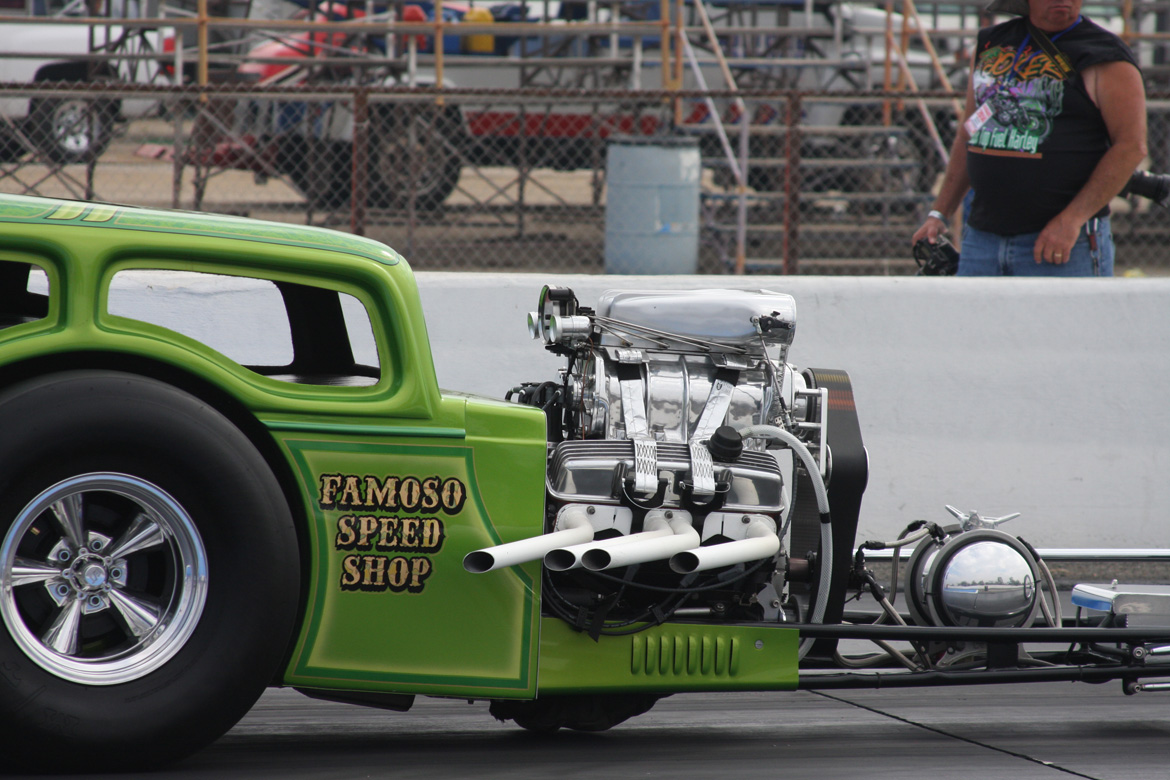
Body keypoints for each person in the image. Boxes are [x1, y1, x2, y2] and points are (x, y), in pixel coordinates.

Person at [911, 0, 1147, 276]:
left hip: (1062, 243)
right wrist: (939, 213)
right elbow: (970, 131)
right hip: (982, 240)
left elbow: (1131, 146)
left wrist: (1071, 220)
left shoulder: (1105, 54)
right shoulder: (992, 42)